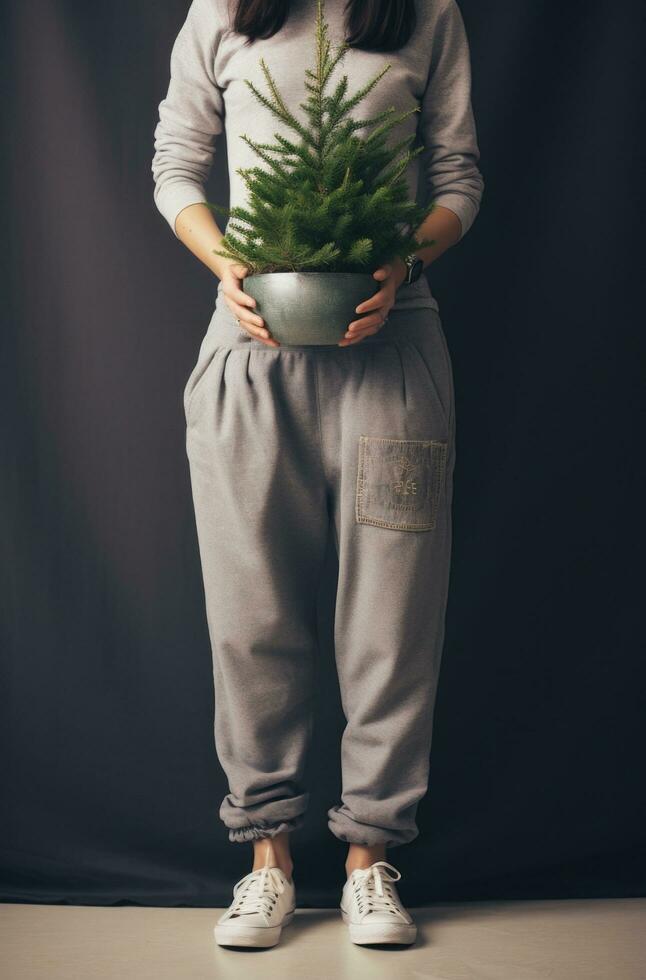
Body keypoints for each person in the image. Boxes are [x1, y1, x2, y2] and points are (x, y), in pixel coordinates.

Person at [151, 0, 483, 950]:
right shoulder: (221, 11)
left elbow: (459, 176)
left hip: (396, 354)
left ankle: (370, 860)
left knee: (393, 616)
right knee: (250, 614)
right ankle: (268, 860)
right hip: (250, 354)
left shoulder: (429, 16)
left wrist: (401, 263)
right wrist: (227, 267)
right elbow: (176, 161)